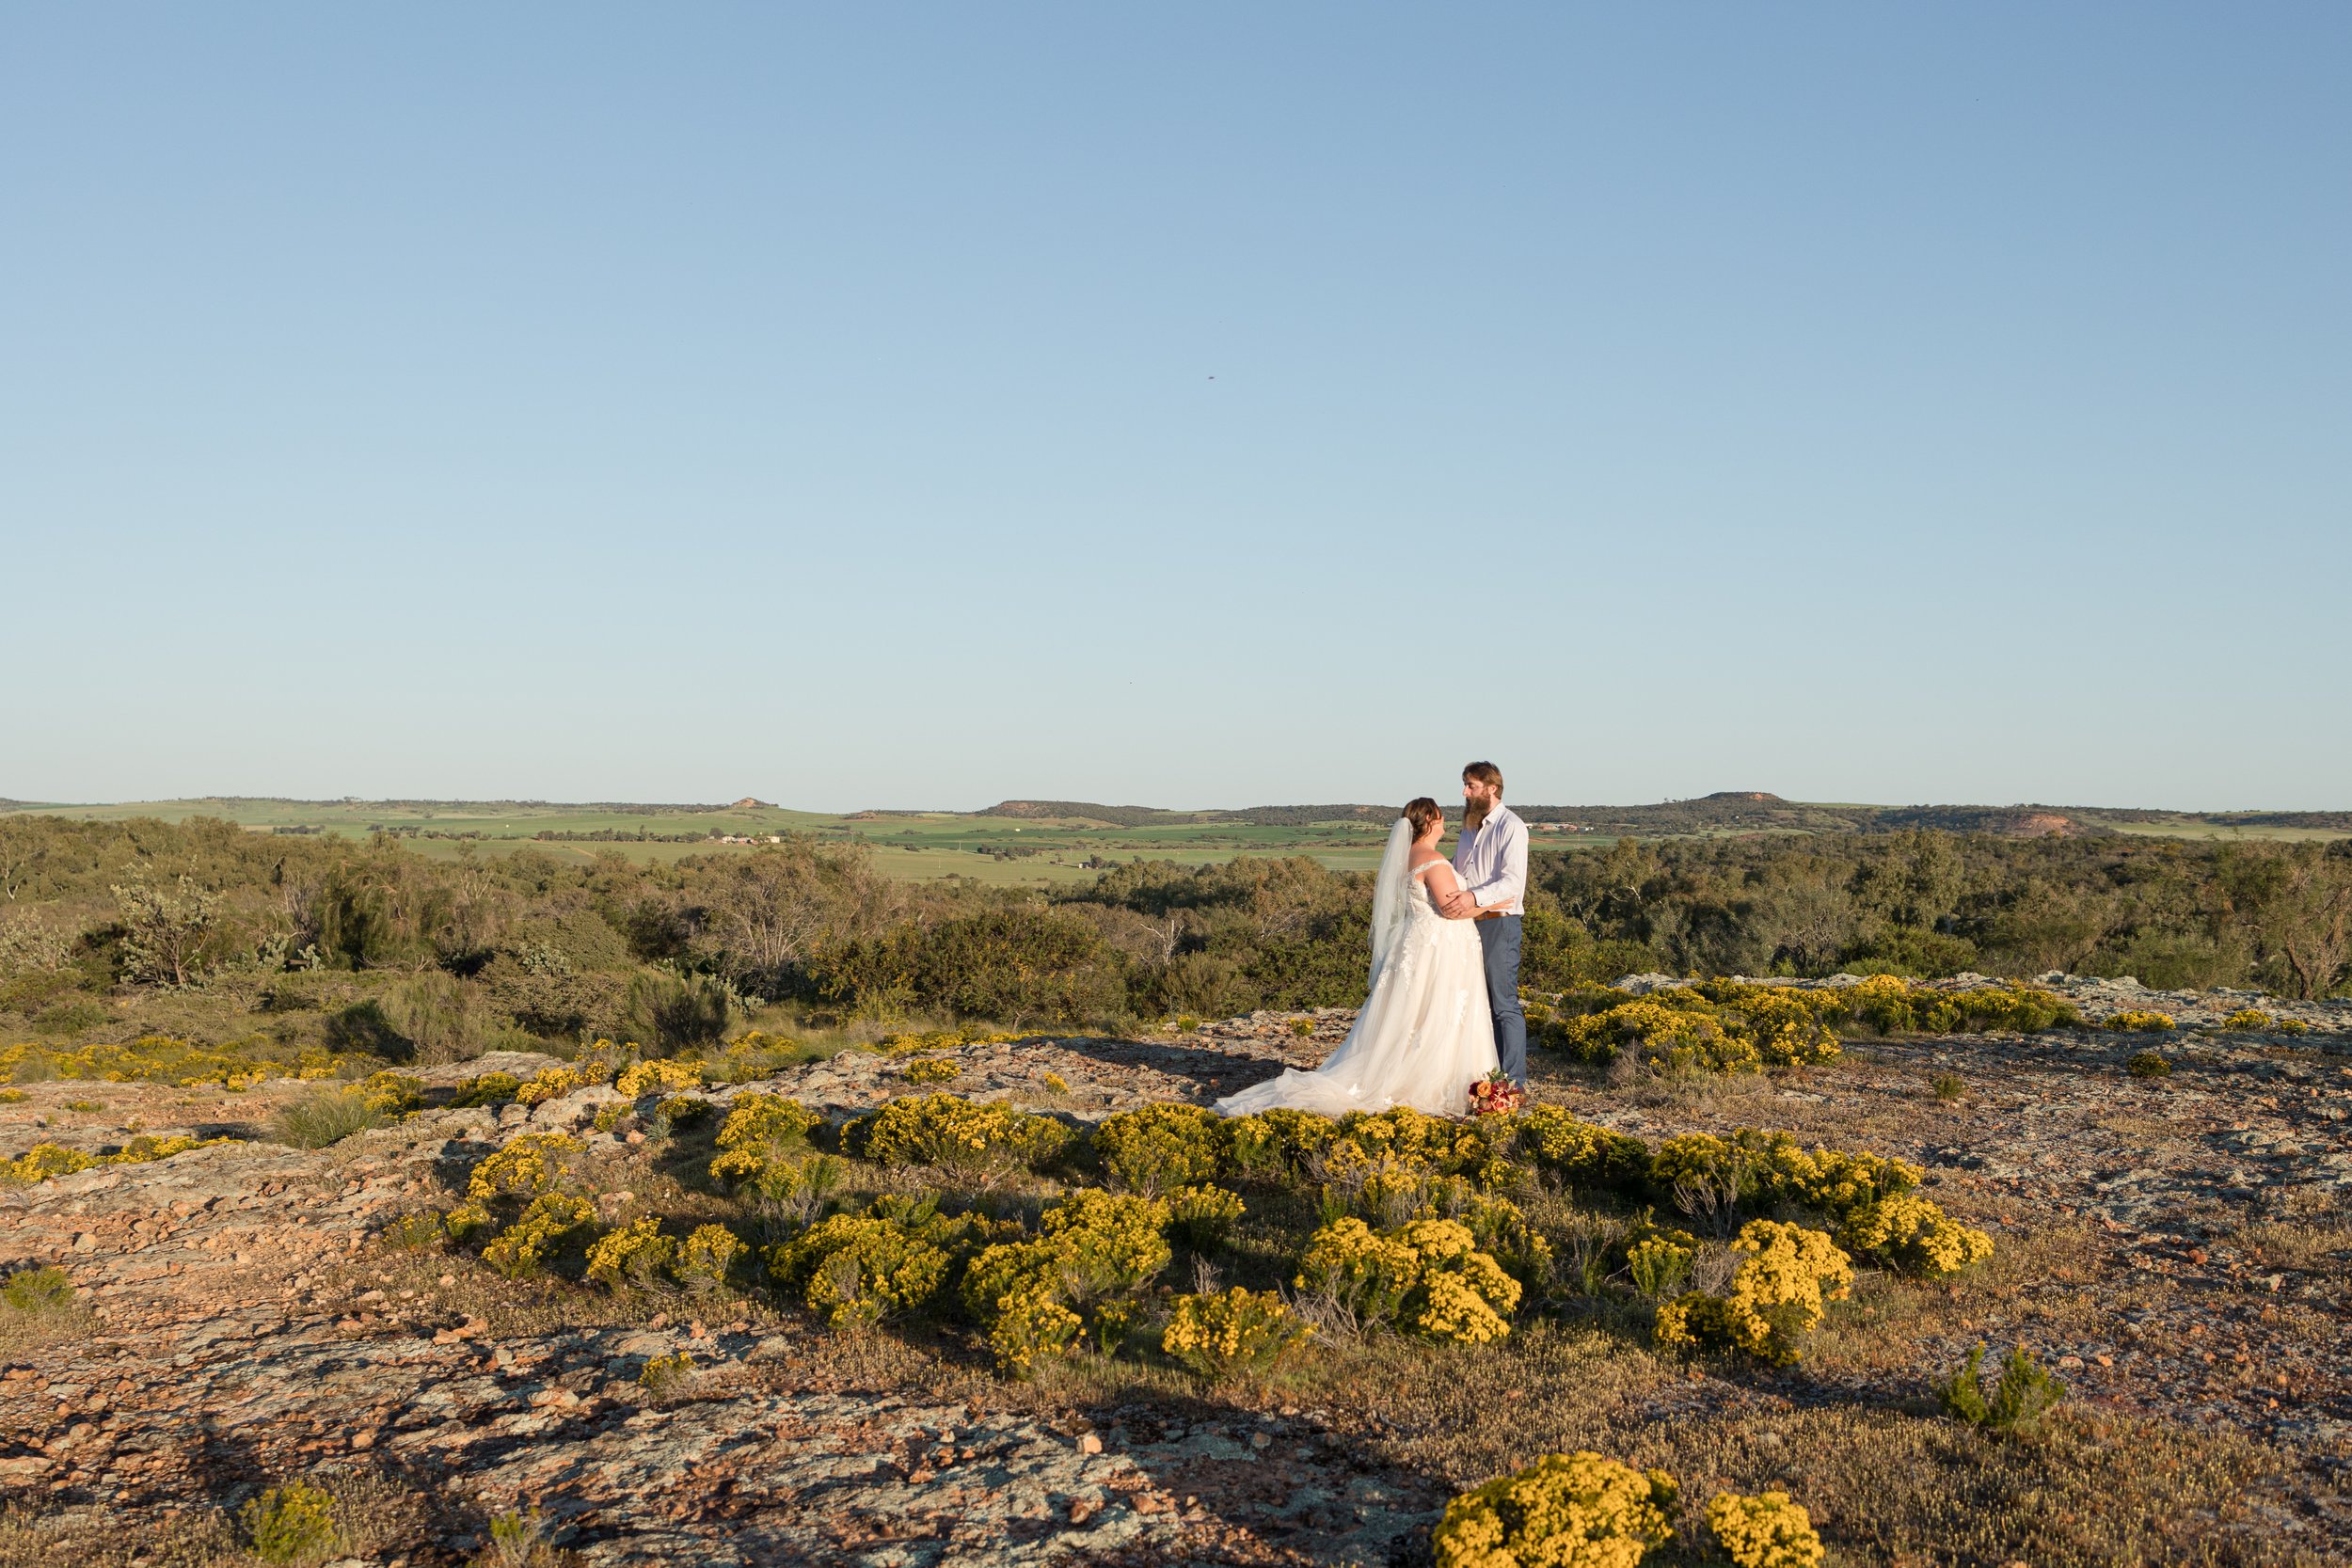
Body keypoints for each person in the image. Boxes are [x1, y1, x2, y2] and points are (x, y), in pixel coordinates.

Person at [1214, 798, 1499, 1118]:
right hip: (1441, 946)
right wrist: (1493, 903)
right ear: (1432, 820)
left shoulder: (1409, 856)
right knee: (1439, 1011)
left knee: (1413, 1012)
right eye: (1441, 815)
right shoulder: (1433, 860)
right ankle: (1438, 1081)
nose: (1446, 820)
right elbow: (1450, 908)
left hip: (1419, 942)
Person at [1438, 761, 1528, 1089]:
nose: (1464, 792)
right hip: (1466, 924)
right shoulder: (1469, 827)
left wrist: (1472, 897)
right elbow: (1459, 870)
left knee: (1503, 1004)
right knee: (1476, 1000)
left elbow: (1513, 883)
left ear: (1492, 788)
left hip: (1498, 924)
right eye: (1464, 785)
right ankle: (1486, 1076)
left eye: (1471, 786)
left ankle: (1513, 1082)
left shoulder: (1511, 827)